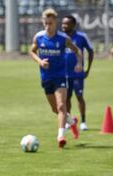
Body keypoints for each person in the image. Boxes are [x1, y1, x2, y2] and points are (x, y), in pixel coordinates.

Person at [29, 8, 82, 148]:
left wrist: (79, 63)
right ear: (43, 22)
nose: (48, 26)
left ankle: (61, 136)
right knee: (55, 109)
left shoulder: (63, 39)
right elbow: (32, 51)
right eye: (45, 23)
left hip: (60, 76)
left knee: (61, 106)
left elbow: (77, 50)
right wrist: (39, 62)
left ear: (55, 23)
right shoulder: (39, 37)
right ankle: (72, 122)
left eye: (50, 23)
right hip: (46, 77)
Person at [61, 15, 94, 131]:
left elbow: (90, 51)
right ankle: (69, 121)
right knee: (66, 99)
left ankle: (83, 121)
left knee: (79, 96)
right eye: (63, 23)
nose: (64, 26)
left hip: (77, 74)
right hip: (63, 74)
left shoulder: (81, 37)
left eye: (67, 23)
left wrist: (88, 70)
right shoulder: (60, 37)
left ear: (73, 25)